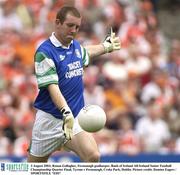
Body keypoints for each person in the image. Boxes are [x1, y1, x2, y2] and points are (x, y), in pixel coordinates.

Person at [27, 6, 121, 162]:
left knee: (93, 156)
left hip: (75, 118)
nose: (74, 30)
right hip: (50, 121)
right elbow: (52, 87)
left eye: (77, 27)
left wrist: (105, 47)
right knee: (34, 169)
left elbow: (85, 52)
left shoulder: (75, 46)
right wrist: (66, 112)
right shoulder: (45, 52)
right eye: (70, 25)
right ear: (58, 23)